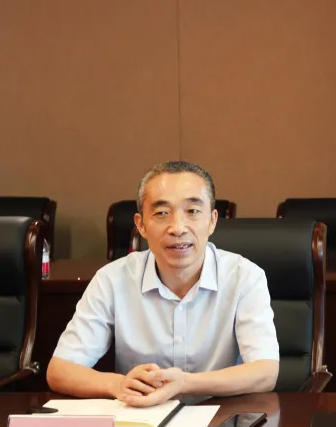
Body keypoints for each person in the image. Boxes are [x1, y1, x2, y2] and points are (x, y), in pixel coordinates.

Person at [47, 161, 279, 405]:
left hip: (222, 418)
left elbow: (265, 372)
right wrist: (117, 385)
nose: (177, 228)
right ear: (141, 225)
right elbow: (60, 370)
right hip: (141, 418)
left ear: (212, 221)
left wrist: (185, 383)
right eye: (161, 213)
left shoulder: (244, 277)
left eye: (193, 211)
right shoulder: (112, 279)